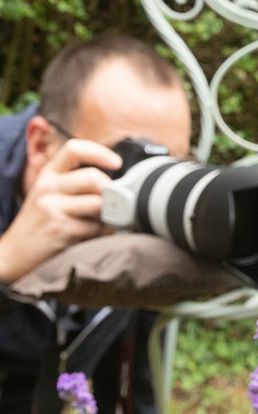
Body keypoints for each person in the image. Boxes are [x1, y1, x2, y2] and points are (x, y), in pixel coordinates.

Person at [0, 34, 191, 413]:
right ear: (41, 145)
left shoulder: (146, 213)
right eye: (131, 162)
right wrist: (6, 262)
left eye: (168, 168)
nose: (146, 189)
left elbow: (130, 377)